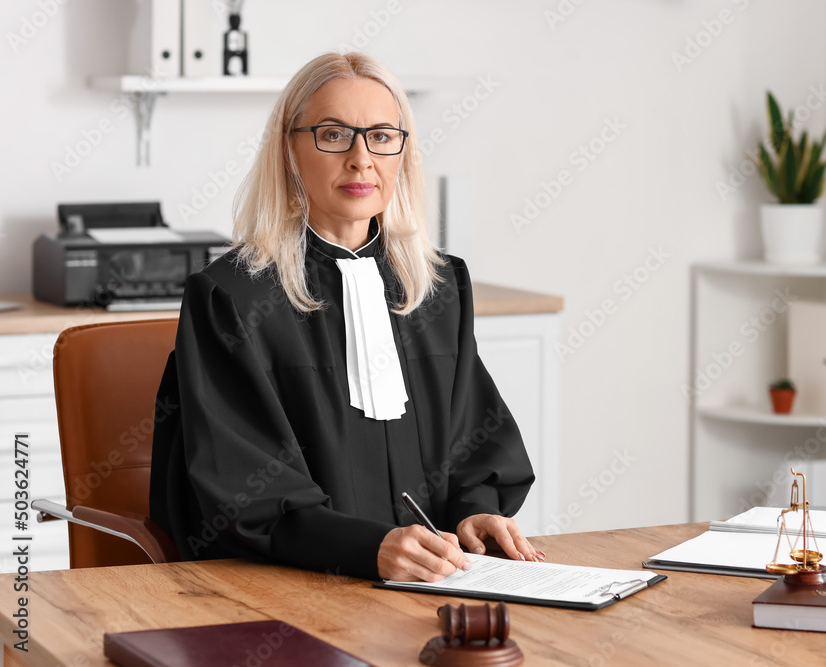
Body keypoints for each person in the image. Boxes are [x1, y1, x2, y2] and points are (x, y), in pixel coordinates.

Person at [149, 51, 540, 583]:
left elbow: (474, 442)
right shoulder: (231, 297)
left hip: (434, 582)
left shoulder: (439, 287)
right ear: (290, 150)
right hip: (287, 589)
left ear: (403, 152)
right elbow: (247, 493)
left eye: (381, 136)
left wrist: (475, 511)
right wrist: (367, 548)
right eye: (333, 135)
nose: (362, 159)